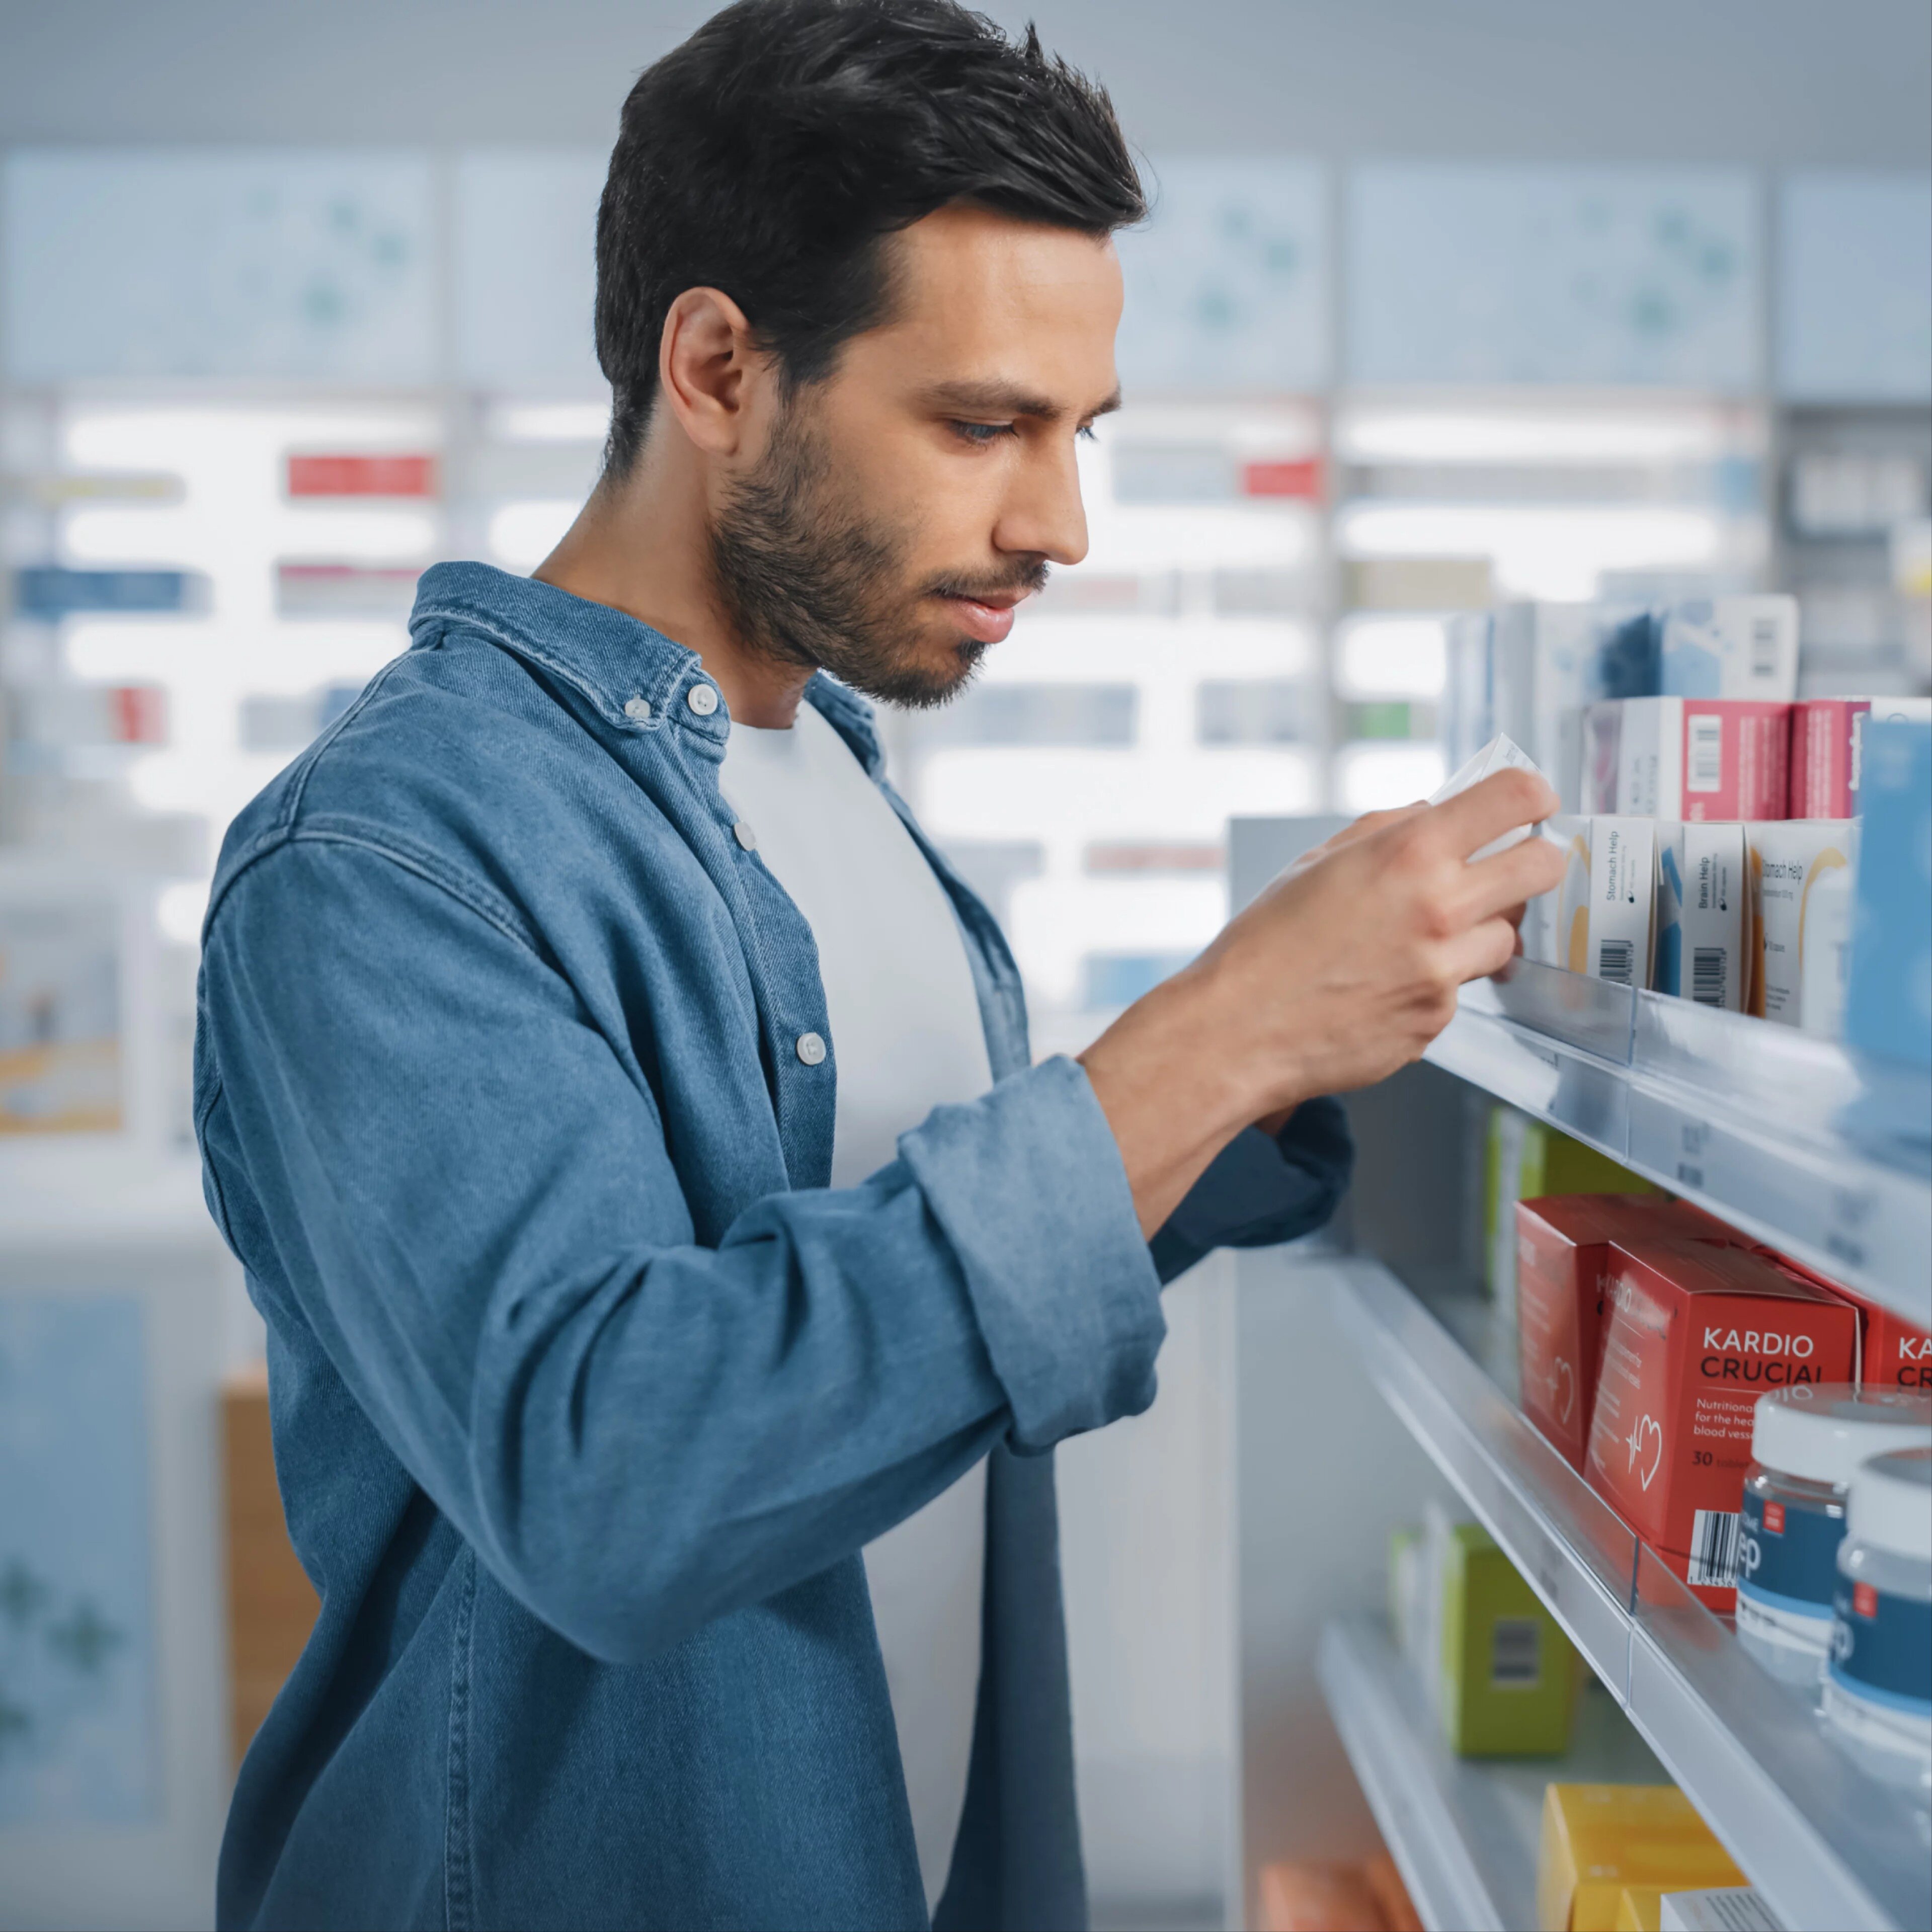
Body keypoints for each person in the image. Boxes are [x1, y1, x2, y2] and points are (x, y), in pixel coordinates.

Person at [195, 3, 1563, 1927]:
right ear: (718, 366)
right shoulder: (386, 855)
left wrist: (1291, 1058)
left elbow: (890, 1253)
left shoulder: (826, 764)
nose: (1060, 524)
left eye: (1078, 435)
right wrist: (1208, 1038)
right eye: (982, 423)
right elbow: (615, 1472)